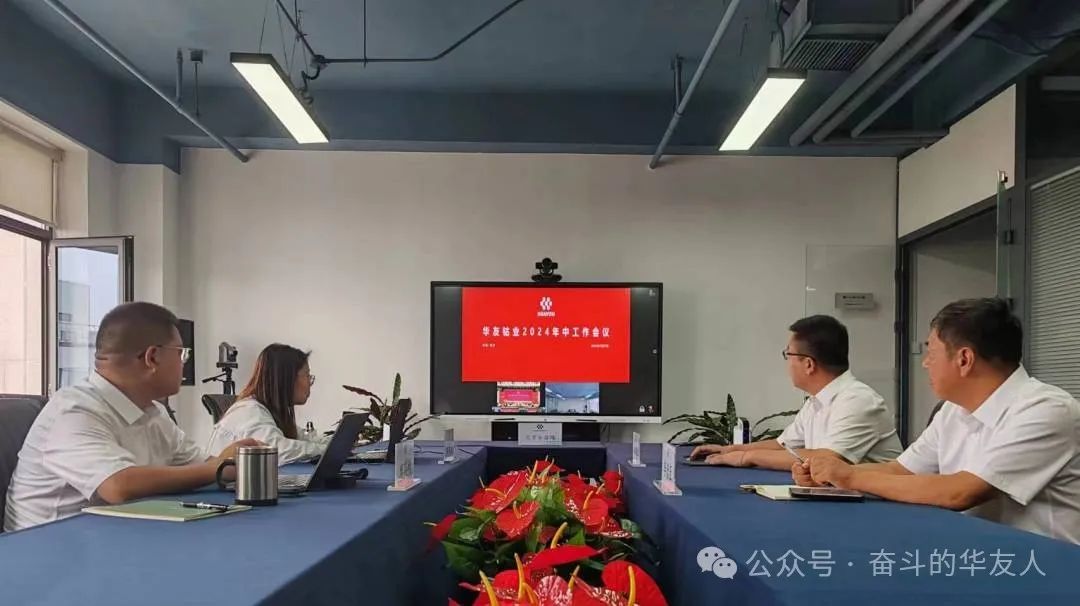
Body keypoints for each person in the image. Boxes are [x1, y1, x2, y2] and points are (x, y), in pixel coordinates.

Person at [798, 298, 1080, 544]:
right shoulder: (953, 410)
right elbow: (901, 470)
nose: (925, 363)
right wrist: (830, 476)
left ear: (964, 359)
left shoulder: (1046, 410)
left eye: (931, 353)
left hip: (1049, 567)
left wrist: (849, 476)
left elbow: (961, 492)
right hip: (979, 551)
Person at [3, 302, 257, 532]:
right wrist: (216, 468)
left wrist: (234, 464)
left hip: (110, 538)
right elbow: (118, 485)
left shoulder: (153, 412)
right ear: (152, 357)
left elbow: (199, 466)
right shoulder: (73, 411)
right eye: (181, 354)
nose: (184, 363)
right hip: (45, 551)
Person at [690, 315, 901, 470]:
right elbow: (784, 446)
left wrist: (747, 457)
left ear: (808, 364)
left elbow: (826, 459)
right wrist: (731, 450)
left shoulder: (858, 400)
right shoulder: (816, 401)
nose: (786, 362)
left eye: (788, 354)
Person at [206, 344, 325, 465]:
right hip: (223, 477)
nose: (310, 382)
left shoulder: (271, 411)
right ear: (287, 378)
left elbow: (303, 439)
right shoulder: (250, 411)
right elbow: (278, 451)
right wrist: (325, 450)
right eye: (307, 375)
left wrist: (333, 445)